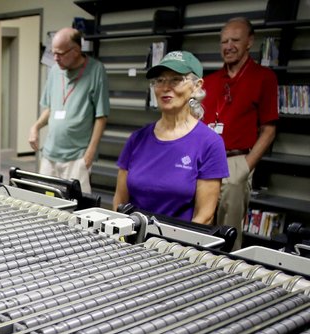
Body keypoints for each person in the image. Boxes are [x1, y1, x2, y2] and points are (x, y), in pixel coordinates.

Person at [113, 51, 229, 224]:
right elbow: (119, 202)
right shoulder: (137, 139)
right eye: (160, 80)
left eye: (176, 79)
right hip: (132, 240)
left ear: (197, 86)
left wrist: (174, 248)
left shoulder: (210, 143)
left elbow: (204, 216)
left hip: (177, 244)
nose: (166, 87)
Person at [202, 18, 278, 249]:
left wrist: (245, 167)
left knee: (229, 233)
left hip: (236, 162)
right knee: (201, 226)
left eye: (235, 40)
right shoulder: (209, 81)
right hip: (205, 161)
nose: (228, 45)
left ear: (249, 42)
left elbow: (269, 129)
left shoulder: (263, 78)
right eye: (224, 41)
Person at [28, 28, 109, 195]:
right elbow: (50, 109)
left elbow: (101, 116)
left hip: (77, 156)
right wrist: (35, 127)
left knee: (75, 207)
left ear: (76, 50)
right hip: (50, 154)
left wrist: (89, 155)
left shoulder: (96, 70)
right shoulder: (55, 71)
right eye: (53, 52)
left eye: (60, 53)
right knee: (45, 201)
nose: (55, 58)